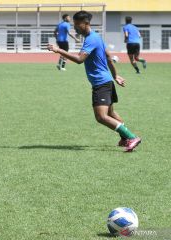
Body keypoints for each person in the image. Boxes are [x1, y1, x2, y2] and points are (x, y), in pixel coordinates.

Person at [47, 11, 141, 152]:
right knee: (110, 114)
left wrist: (58, 50)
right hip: (106, 81)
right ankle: (125, 137)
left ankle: (131, 137)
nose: (76, 28)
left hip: (101, 83)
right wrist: (115, 75)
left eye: (77, 25)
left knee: (101, 116)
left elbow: (80, 59)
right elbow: (109, 56)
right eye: (74, 25)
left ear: (86, 24)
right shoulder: (96, 36)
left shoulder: (91, 39)